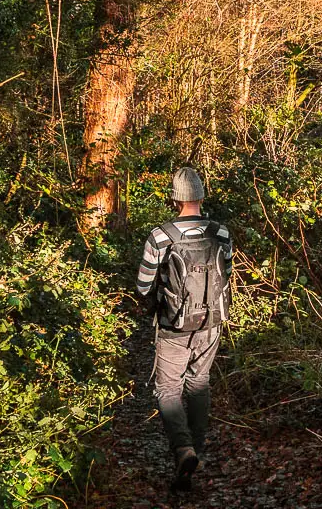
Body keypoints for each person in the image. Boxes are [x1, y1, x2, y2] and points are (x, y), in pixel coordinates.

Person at [136, 167, 233, 492]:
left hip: (173, 324)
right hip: (211, 322)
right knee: (199, 383)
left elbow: (142, 285)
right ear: (202, 195)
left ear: (173, 199)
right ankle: (196, 454)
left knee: (168, 389)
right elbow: (226, 274)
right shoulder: (220, 232)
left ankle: (183, 449)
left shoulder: (160, 236)